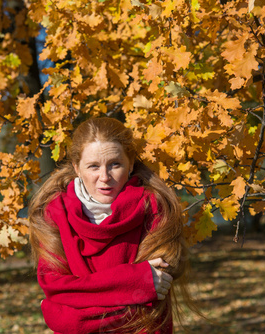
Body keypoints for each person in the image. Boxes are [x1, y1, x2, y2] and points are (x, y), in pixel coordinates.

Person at [27, 117, 196, 333]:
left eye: (115, 164)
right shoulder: (54, 214)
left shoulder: (154, 208)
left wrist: (71, 319)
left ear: (131, 163)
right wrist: (137, 281)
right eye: (93, 166)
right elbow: (54, 287)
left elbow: (149, 311)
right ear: (77, 167)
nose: (104, 177)